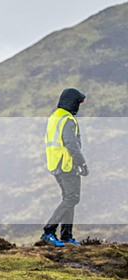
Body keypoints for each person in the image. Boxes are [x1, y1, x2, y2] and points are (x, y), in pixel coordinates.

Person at [41, 88, 88, 247]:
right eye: (78, 103)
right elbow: (71, 144)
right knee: (72, 198)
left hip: (56, 164)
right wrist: (82, 163)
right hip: (67, 164)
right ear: (72, 102)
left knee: (69, 198)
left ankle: (66, 236)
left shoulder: (55, 117)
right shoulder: (67, 119)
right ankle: (49, 231)